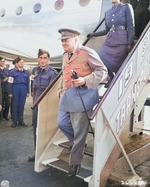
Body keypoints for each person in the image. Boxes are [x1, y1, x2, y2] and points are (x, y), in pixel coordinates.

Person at [57, 28, 109, 177]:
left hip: (82, 97)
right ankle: (78, 142)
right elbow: (65, 74)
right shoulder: (65, 55)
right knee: (62, 123)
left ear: (75, 40)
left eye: (66, 40)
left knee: (80, 133)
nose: (63, 43)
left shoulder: (87, 53)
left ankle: (75, 163)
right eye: (62, 41)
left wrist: (85, 80)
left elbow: (102, 71)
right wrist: (61, 89)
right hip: (67, 97)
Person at [87, 0, 135, 87]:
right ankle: (111, 78)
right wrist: (94, 34)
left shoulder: (126, 7)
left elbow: (131, 26)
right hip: (110, 40)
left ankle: (117, 82)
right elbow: (107, 30)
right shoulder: (108, 12)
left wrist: (130, 43)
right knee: (100, 58)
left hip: (121, 40)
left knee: (120, 64)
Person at [28, 49, 57, 162]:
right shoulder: (35, 71)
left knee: (45, 131)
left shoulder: (52, 73)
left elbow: (52, 93)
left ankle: (45, 154)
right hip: (35, 104)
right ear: (38, 59)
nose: (42, 60)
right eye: (40, 58)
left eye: (45, 58)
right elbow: (33, 86)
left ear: (48, 59)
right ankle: (37, 153)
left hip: (46, 105)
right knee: (35, 129)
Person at [8, 57, 30, 128]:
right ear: (17, 63)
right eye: (20, 62)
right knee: (15, 105)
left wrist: (27, 92)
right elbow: (10, 83)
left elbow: (28, 82)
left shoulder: (26, 72)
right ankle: (14, 121)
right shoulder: (12, 72)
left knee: (21, 105)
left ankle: (21, 120)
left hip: (23, 88)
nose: (22, 64)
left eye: (23, 62)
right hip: (15, 88)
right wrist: (10, 92)